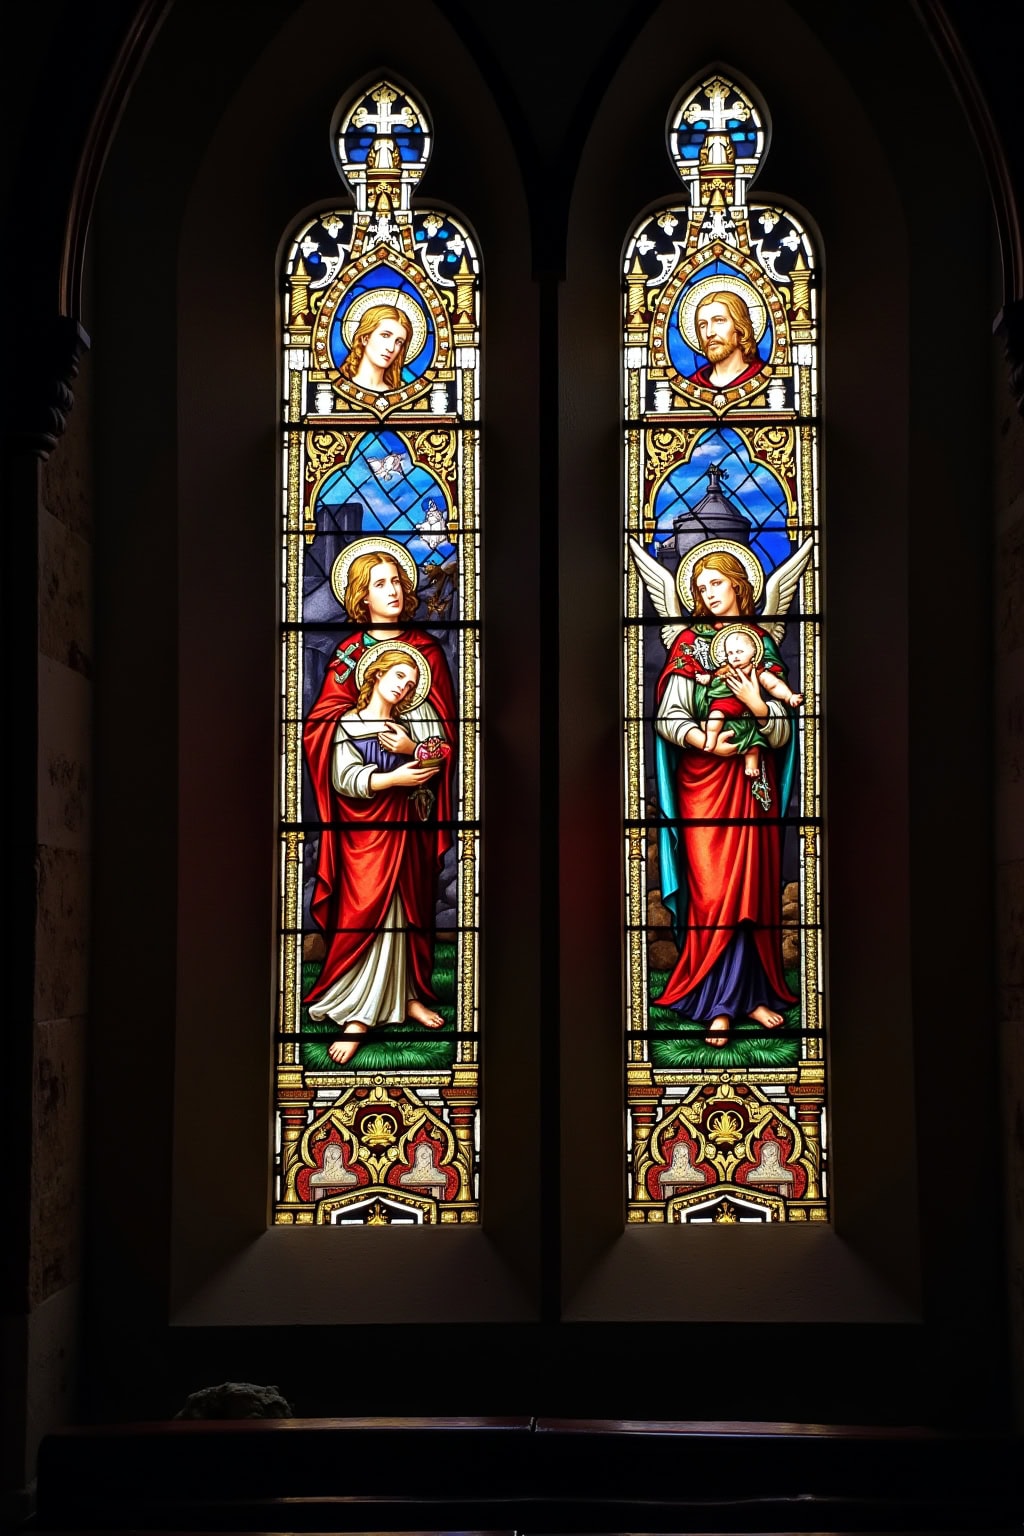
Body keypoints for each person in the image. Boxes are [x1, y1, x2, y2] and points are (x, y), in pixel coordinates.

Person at [303, 537, 456, 1064]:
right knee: (364, 901)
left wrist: (414, 750)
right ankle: (359, 1008)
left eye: (398, 581)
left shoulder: (426, 652)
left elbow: (446, 740)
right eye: (380, 584)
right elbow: (320, 728)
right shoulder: (348, 655)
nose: (393, 591)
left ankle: (408, 993)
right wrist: (367, 753)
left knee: (409, 899)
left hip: (410, 812)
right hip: (360, 818)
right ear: (360, 596)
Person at [654, 549, 797, 1047]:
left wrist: (758, 705)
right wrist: (704, 741)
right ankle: (713, 1000)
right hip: (703, 784)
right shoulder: (690, 646)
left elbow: (784, 730)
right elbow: (669, 715)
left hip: (752, 785)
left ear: (738, 583)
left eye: (715, 582)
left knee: (752, 889)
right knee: (712, 891)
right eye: (700, 587)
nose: (707, 593)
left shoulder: (761, 646)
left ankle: (751, 996)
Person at [682, 622, 802, 801]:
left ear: (754, 651)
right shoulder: (725, 669)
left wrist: (788, 697)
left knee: (753, 741)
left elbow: (774, 685)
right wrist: (705, 678)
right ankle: (710, 739)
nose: (734, 656)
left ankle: (751, 764)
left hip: (746, 715)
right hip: (723, 706)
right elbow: (712, 678)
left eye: (739, 652)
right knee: (714, 718)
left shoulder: (758, 671)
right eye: (730, 653)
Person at [687, 289, 764, 388]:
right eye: (703, 325)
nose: (709, 333)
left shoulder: (764, 376)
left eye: (719, 321)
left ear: (740, 327)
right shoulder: (692, 384)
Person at [338, 303, 411, 392]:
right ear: (365, 338)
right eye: (385, 335)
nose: (391, 348)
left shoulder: (401, 392)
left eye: (399, 342)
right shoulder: (340, 384)